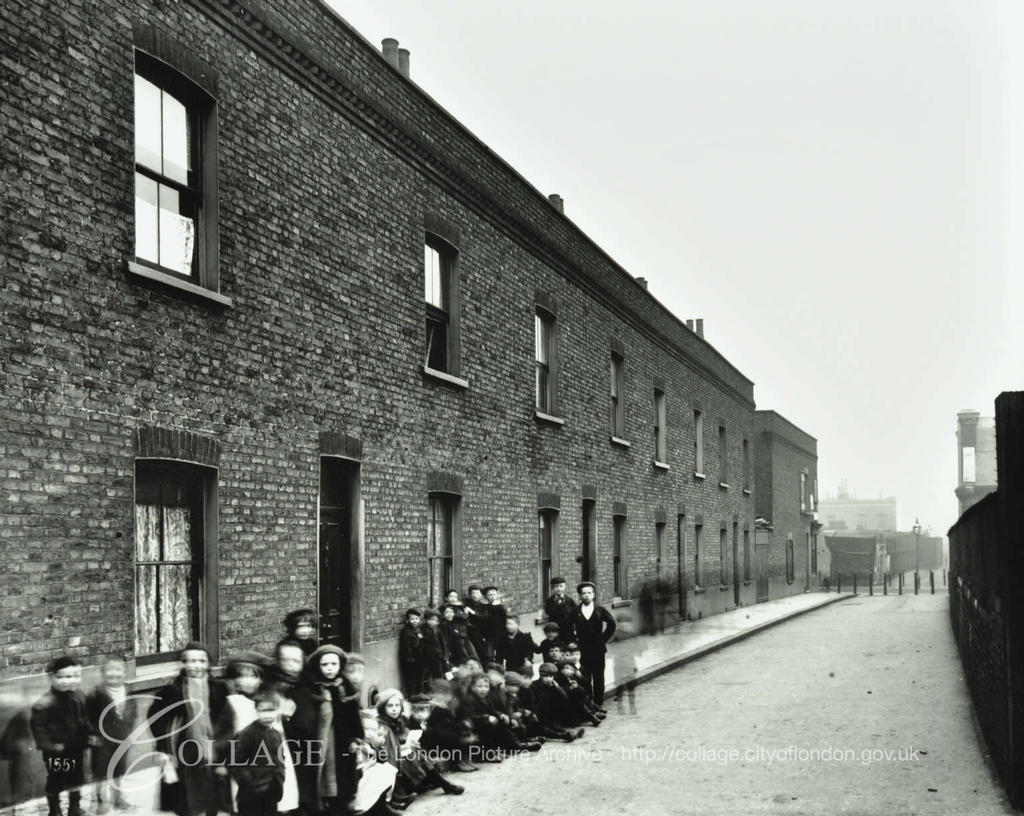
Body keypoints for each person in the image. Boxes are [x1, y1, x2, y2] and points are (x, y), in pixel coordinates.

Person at [148, 643, 229, 816]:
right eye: (190, 661)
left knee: (212, 792)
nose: (196, 665)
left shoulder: (219, 688)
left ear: (208, 664)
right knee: (186, 796)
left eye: (201, 661)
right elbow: (155, 717)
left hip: (213, 747)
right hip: (184, 748)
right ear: (183, 664)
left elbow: (227, 717)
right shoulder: (172, 691)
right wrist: (164, 746)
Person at [289, 645, 362, 816]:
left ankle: (341, 802)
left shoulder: (345, 686)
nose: (330, 669)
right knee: (322, 770)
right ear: (317, 666)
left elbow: (353, 715)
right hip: (320, 736)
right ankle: (321, 802)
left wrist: (356, 738)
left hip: (342, 738)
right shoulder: (312, 687)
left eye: (333, 664)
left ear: (340, 665)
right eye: (325, 665)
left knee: (343, 771)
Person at [373, 689, 464, 806]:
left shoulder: (399, 722)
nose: (394, 709)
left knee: (417, 753)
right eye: (390, 706)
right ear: (383, 708)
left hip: (399, 756)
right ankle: (401, 794)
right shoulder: (383, 725)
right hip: (387, 760)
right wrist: (405, 747)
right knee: (413, 756)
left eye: (397, 705)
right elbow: (387, 751)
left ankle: (444, 784)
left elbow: (400, 743)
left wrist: (410, 744)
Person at [31, 656, 89, 816]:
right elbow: (38, 727)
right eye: (61, 677)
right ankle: (54, 809)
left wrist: (90, 735)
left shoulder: (80, 697)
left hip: (75, 748)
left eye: (72, 676)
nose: (66, 681)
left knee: (77, 778)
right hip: (55, 750)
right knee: (56, 778)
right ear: (52, 677)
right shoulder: (45, 702)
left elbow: (86, 719)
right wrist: (49, 746)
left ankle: (74, 807)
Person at [85, 656, 133, 814]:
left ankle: (118, 798)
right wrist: (92, 733)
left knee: (119, 768)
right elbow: (87, 716)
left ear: (125, 673)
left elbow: (132, 713)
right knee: (100, 771)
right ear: (103, 673)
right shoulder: (96, 694)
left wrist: (130, 732)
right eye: (109, 670)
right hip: (102, 739)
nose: (114, 674)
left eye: (118, 670)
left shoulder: (128, 691)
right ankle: (100, 801)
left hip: (122, 738)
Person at [231, 692, 285, 816]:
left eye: (271, 710)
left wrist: (280, 775)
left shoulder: (276, 733)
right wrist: (248, 780)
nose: (267, 715)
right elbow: (236, 761)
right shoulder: (247, 733)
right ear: (256, 711)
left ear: (277, 711)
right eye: (263, 711)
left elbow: (280, 758)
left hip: (272, 789)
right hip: (251, 793)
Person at [569, 582, 616, 710]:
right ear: (580, 596)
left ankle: (599, 703)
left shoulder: (600, 610)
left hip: (598, 650)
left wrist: (603, 639)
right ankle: (588, 703)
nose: (587, 596)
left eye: (589, 593)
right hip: (583, 651)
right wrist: (575, 642)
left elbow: (612, 624)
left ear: (593, 595)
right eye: (584, 593)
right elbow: (568, 628)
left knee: (599, 678)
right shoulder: (576, 612)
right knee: (585, 678)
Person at [526, 664, 583, 741]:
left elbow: (565, 697)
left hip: (551, 711)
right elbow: (534, 703)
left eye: (551, 676)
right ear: (541, 675)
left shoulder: (553, 685)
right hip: (540, 713)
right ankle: (565, 734)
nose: (549, 679)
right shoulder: (534, 685)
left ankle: (566, 732)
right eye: (546, 676)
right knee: (547, 725)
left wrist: (558, 688)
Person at [397, 609, 425, 696]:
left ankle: (419, 693)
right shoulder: (406, 632)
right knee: (411, 677)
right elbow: (406, 646)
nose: (414, 621)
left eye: (416, 619)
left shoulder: (419, 630)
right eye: (412, 619)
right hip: (411, 659)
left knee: (420, 676)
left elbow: (424, 643)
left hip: (420, 657)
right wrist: (409, 658)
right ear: (407, 620)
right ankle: (411, 695)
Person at [419, 610, 450, 684]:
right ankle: (429, 688)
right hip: (427, 655)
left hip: (438, 655)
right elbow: (422, 643)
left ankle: (440, 686)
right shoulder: (422, 629)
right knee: (427, 674)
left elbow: (443, 643)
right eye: (430, 619)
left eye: (435, 620)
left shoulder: (438, 629)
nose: (432, 622)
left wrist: (445, 655)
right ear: (426, 620)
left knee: (439, 672)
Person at [462, 586, 489, 662]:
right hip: (468, 631)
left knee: (482, 651)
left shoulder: (484, 606)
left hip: (479, 632)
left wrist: (472, 612)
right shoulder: (466, 603)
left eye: (477, 593)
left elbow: (483, 617)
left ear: (481, 594)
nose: (474, 595)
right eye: (472, 593)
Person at [482, 587, 507, 662]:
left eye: (494, 594)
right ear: (486, 597)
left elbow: (504, 620)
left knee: (500, 654)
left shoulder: (500, 607)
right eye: (490, 595)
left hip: (500, 634)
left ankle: (499, 669)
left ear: (497, 595)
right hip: (489, 635)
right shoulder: (485, 607)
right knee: (489, 654)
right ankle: (491, 668)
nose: (492, 596)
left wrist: (505, 633)